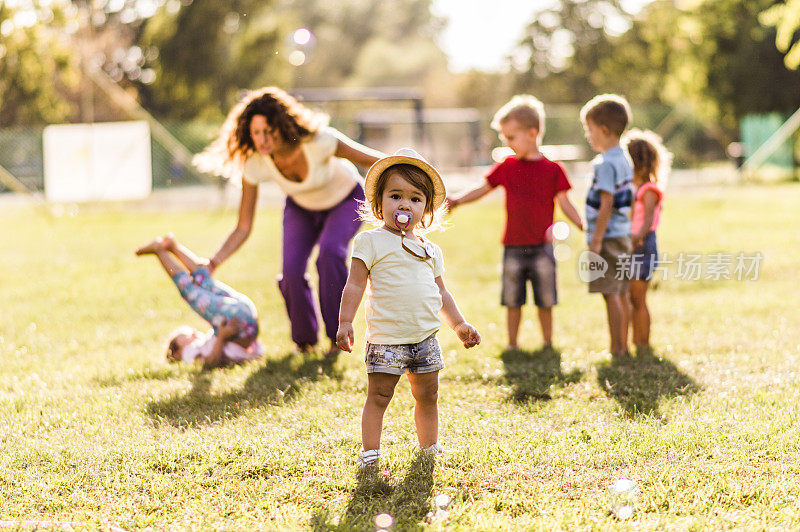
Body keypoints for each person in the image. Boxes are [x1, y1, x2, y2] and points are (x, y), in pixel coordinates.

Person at [193, 87, 385, 356]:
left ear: (282, 125)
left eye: (268, 130)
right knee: (291, 271)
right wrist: (213, 262)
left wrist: (416, 167)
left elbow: (372, 159)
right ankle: (304, 342)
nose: (262, 139)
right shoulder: (256, 163)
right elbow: (243, 226)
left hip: (346, 198)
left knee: (330, 253)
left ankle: (337, 338)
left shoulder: (320, 141)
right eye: (256, 132)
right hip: (301, 207)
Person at [336, 148, 481, 467]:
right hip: (387, 339)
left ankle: (429, 447)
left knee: (428, 396)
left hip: (425, 338)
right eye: (395, 196)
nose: (404, 204)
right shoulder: (370, 242)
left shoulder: (430, 249)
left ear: (426, 208)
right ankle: (370, 453)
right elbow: (356, 284)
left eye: (415, 199)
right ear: (379, 203)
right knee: (379, 396)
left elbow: (441, 292)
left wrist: (459, 325)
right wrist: (346, 322)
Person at [446, 95, 583, 351]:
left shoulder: (554, 169)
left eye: (511, 137)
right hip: (513, 247)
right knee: (512, 300)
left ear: (532, 133)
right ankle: (512, 344)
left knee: (545, 300)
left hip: (543, 248)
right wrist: (457, 200)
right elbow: (483, 188)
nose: (507, 144)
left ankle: (547, 343)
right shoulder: (507, 166)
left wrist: (583, 225)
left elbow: (566, 204)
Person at [135, 234, 264, 368]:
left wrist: (222, 336)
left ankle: (166, 249)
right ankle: (167, 249)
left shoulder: (202, 344)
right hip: (243, 319)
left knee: (201, 284)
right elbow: (210, 362)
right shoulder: (188, 354)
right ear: (176, 354)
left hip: (243, 317)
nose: (195, 333)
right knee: (193, 289)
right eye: (188, 335)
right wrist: (221, 337)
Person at [580, 94, 635, 359]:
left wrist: (596, 241)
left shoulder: (604, 164)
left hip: (609, 238)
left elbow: (606, 204)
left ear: (603, 130)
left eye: (589, 130)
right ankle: (623, 345)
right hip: (622, 235)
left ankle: (617, 348)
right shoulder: (624, 159)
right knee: (621, 292)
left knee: (611, 294)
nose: (588, 136)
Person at [625, 129, 671, 355]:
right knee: (629, 297)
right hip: (632, 245)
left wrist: (636, 237)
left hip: (641, 246)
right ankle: (633, 342)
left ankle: (642, 343)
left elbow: (648, 220)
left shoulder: (648, 190)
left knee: (638, 298)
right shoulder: (633, 190)